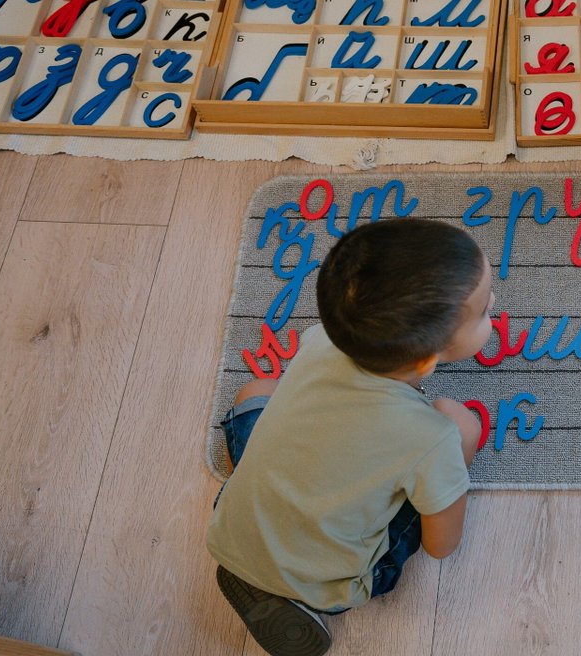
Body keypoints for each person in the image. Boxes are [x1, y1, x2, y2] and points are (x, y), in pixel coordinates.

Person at [207, 218, 492, 656]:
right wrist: (446, 468)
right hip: (332, 579)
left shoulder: (321, 340)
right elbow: (441, 546)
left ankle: (260, 538)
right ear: (425, 362)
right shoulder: (430, 438)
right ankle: (303, 595)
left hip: (231, 525)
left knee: (256, 392)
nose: (494, 304)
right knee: (463, 427)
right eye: (484, 311)